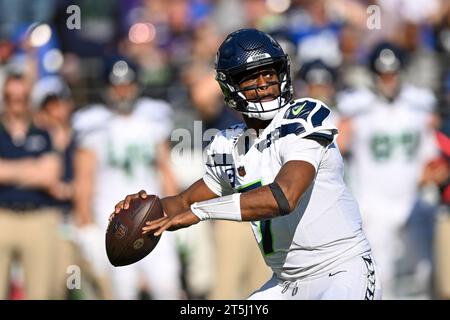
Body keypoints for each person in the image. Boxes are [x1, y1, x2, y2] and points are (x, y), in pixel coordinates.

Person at [112, 28, 381, 300]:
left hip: (342, 271)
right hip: (286, 283)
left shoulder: (305, 117)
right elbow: (182, 204)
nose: (263, 83)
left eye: (269, 73)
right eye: (252, 76)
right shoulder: (228, 145)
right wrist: (145, 208)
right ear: (231, 86)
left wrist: (203, 211)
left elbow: (284, 196)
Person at [336, 42, 439, 299]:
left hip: (412, 203)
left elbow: (430, 157)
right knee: (380, 280)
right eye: (383, 74)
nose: (389, 80)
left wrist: (431, 172)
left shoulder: (417, 107)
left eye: (393, 73)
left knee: (420, 278)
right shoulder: (356, 108)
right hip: (374, 207)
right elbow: (338, 144)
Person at [74, 57, 183, 299]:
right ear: (106, 88)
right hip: (112, 220)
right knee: (122, 291)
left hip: (153, 217)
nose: (123, 91)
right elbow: (84, 179)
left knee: (168, 286)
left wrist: (176, 209)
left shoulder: (153, 116)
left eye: (127, 84)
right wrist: (86, 224)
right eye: (116, 86)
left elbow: (165, 168)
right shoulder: (93, 122)